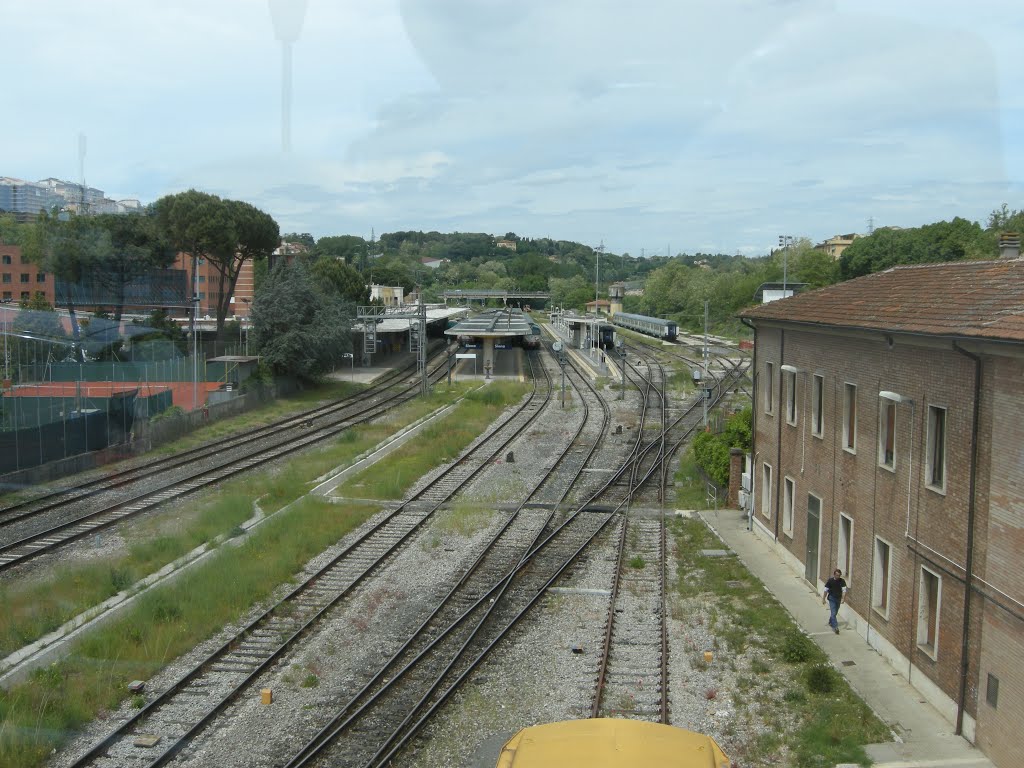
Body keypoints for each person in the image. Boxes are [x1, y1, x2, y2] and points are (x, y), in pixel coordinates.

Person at [822, 568, 848, 634]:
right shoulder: (830, 581)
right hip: (832, 598)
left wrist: (843, 599)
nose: (838, 577)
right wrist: (823, 598)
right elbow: (826, 590)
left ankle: (831, 621)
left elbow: (844, 591)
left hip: (838, 599)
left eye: (839, 575)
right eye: (837, 575)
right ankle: (835, 627)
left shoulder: (842, 581)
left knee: (835, 612)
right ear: (834, 575)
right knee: (833, 613)